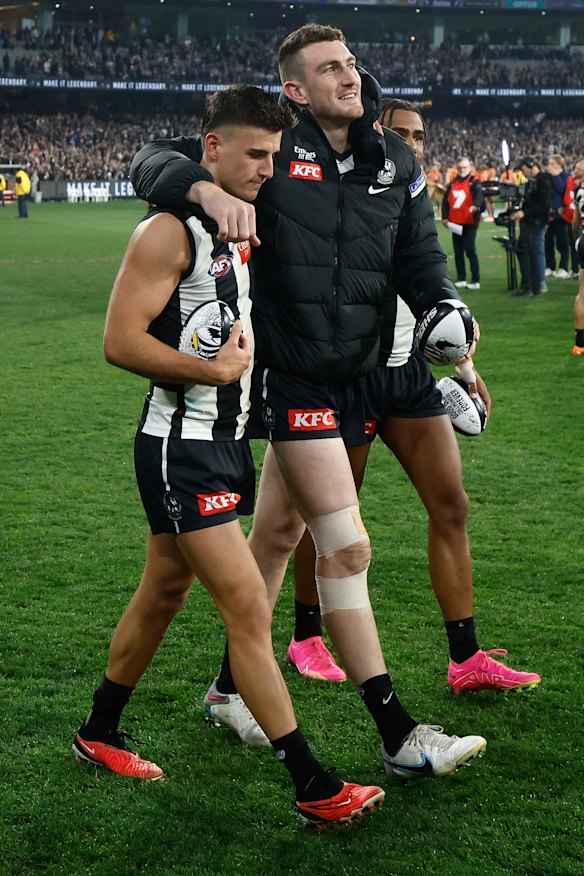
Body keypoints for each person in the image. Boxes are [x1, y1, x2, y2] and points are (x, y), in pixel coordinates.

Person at [130, 25, 488, 781]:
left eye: (352, 62)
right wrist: (201, 189)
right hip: (290, 378)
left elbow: (421, 263)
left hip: (358, 375)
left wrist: (451, 330)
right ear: (296, 89)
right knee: (346, 544)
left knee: (276, 537)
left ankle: (229, 690)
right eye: (330, 68)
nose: (349, 75)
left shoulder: (395, 160)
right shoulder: (273, 148)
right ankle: (398, 737)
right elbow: (155, 158)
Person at [73, 85, 385, 829]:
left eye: (274, 156)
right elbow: (120, 342)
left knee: (163, 594)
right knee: (248, 607)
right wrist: (213, 374)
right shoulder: (167, 232)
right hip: (180, 450)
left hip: (221, 447)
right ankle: (314, 784)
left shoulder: (241, 224)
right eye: (253, 154)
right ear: (210, 150)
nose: (265, 170)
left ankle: (98, 731)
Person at [287, 98, 541, 695]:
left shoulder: (411, 196)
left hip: (409, 376)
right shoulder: (344, 190)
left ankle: (466, 657)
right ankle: (305, 637)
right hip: (350, 375)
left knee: (450, 505)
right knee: (328, 520)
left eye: (420, 135)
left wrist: (465, 365)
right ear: (374, 131)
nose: (413, 142)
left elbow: (430, 289)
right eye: (401, 132)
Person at [510, 157, 552, 298]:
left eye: (523, 169)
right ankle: (532, 284)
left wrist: (525, 212)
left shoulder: (543, 181)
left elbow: (544, 205)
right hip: (530, 223)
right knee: (531, 252)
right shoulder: (532, 182)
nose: (523, 173)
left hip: (537, 223)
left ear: (529, 166)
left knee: (535, 253)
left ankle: (538, 283)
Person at [441, 157, 483, 291]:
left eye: (464, 167)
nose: (462, 170)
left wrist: (475, 206)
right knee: (458, 252)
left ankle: (475, 279)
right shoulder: (453, 183)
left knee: (470, 250)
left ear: (469, 168)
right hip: (456, 222)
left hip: (470, 222)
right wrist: (445, 217)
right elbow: (445, 201)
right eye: (459, 168)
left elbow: (479, 196)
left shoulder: (474, 182)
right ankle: (461, 278)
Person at [545, 154, 570, 279]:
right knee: (548, 242)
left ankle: (563, 267)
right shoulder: (547, 178)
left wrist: (555, 176)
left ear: (559, 165)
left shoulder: (566, 177)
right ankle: (550, 266)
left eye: (552, 163)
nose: (549, 166)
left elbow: (561, 189)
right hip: (548, 214)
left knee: (562, 243)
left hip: (561, 216)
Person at [571, 159, 584, 356]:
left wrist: (577, 240)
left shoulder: (579, 191)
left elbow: (575, 222)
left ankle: (580, 344)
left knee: (583, 293)